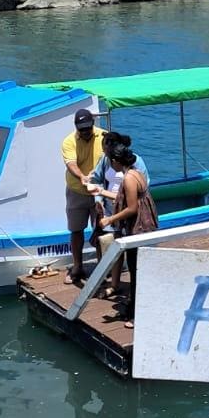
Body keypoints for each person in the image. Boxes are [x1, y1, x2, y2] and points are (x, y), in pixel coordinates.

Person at [95, 146, 158, 324]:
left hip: (138, 226)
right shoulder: (137, 172)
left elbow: (132, 208)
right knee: (137, 269)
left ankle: (136, 314)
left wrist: (110, 219)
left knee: (135, 269)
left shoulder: (129, 178)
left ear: (116, 161)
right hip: (146, 223)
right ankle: (133, 307)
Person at [62, 106, 105, 285]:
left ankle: (103, 268)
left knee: (102, 230)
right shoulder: (68, 141)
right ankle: (77, 267)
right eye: (82, 129)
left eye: (88, 128)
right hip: (77, 192)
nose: (85, 132)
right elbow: (70, 163)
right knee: (76, 230)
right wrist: (82, 177)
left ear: (93, 124)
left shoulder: (104, 136)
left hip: (99, 192)